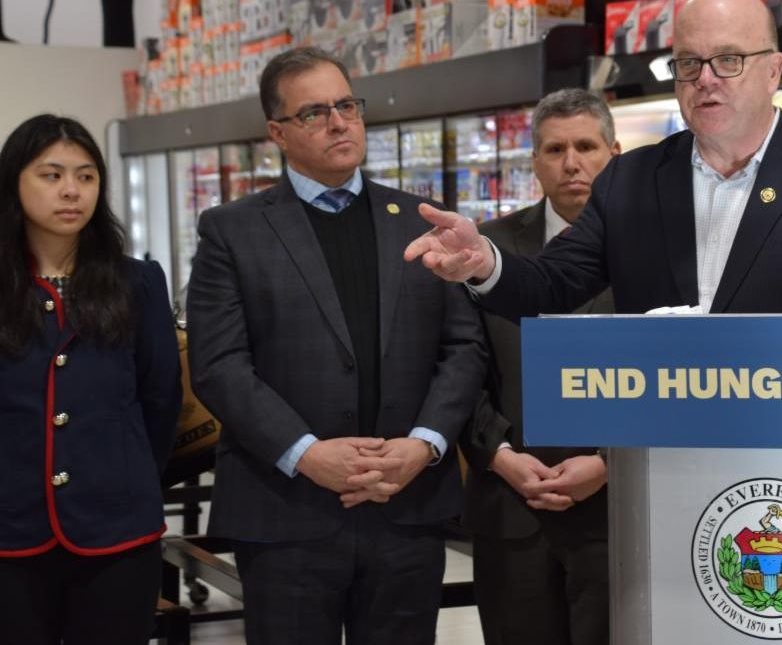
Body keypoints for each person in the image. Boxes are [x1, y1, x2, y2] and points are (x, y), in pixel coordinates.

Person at [186, 47, 487, 645]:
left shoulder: (419, 220)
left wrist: (423, 446)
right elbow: (219, 365)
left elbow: (464, 346)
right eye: (315, 112)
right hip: (287, 512)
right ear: (277, 132)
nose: (339, 122)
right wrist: (305, 453)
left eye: (347, 105)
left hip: (407, 507)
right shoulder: (232, 230)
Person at [404, 0, 782, 319]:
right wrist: (483, 262)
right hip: (658, 461)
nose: (705, 80)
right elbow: (553, 281)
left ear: (773, 70)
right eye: (688, 63)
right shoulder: (631, 179)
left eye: (728, 60)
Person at [0, 114, 182, 644]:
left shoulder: (137, 281)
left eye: (86, 176)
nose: (71, 191)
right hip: (10, 528)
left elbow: (160, 399)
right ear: (14, 181)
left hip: (117, 530)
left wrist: (125, 478)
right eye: (51, 175)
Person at [460, 88, 619, 645]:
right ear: (533, 162)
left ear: (614, 153)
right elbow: (461, 367)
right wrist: (501, 457)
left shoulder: (652, 251)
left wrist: (608, 463)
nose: (571, 162)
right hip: (511, 508)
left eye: (585, 146)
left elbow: (676, 370)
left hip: (617, 510)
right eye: (554, 150)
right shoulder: (488, 249)